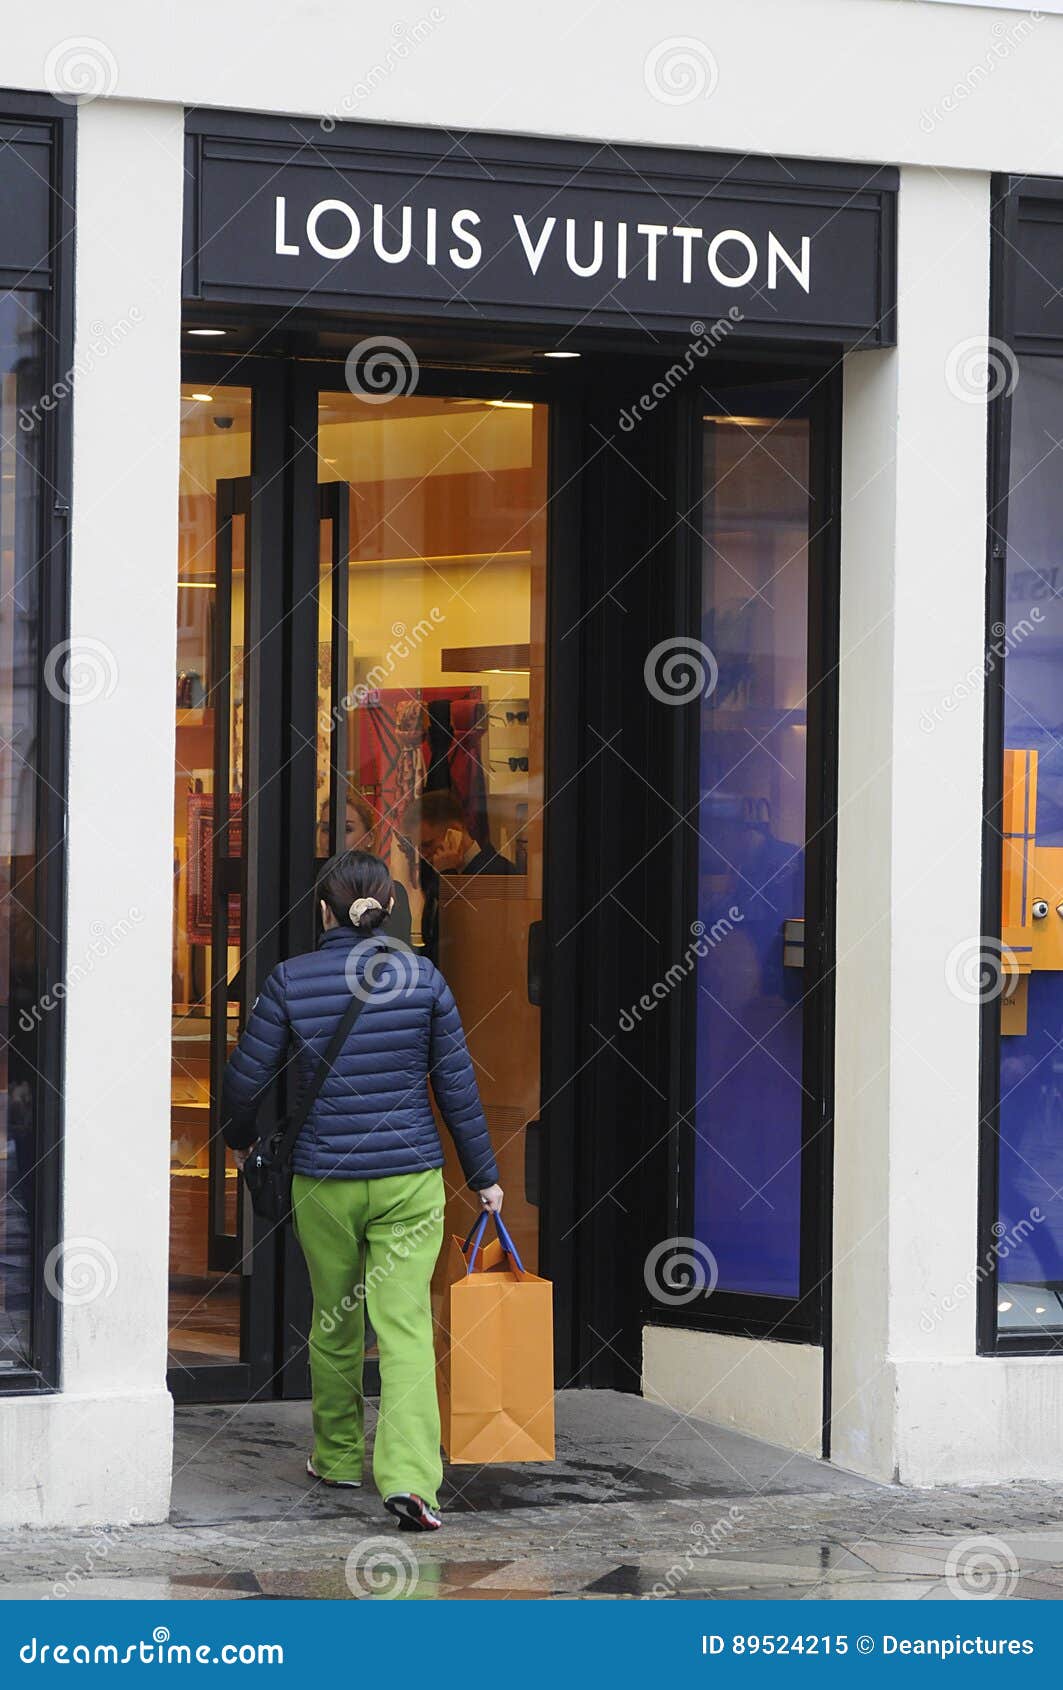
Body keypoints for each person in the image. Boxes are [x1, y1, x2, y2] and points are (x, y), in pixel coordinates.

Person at [220, 848, 503, 1532]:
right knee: (403, 1325)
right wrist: (485, 1178)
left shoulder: (291, 980)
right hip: (409, 1180)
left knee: (335, 1316)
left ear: (324, 910)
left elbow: (243, 1083)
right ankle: (409, 1479)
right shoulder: (424, 979)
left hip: (326, 1180)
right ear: (389, 908)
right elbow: (457, 1090)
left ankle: (338, 1453)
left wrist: (240, 1139)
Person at [316, 790, 414, 946]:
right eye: (326, 829)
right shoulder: (308, 890)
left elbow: (398, 954)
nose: (332, 837)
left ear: (369, 838)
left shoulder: (392, 892)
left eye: (347, 829)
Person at [403, 788, 516, 876]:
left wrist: (447, 873)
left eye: (427, 844)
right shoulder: (435, 872)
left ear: (454, 831)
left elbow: (454, 906)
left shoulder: (499, 874)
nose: (422, 855)